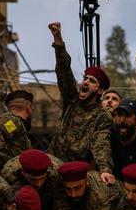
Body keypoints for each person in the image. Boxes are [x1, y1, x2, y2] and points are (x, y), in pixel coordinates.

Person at [46, 22, 115, 187]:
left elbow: (101, 144)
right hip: (52, 163)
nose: (85, 82)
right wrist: (58, 41)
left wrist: (105, 169)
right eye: (85, 78)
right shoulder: (72, 100)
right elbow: (64, 72)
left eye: (92, 81)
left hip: (75, 173)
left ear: (100, 90)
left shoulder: (102, 116)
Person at [0, 89, 34, 173]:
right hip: (3, 179)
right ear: (28, 106)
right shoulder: (12, 121)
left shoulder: (14, 122)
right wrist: (14, 170)